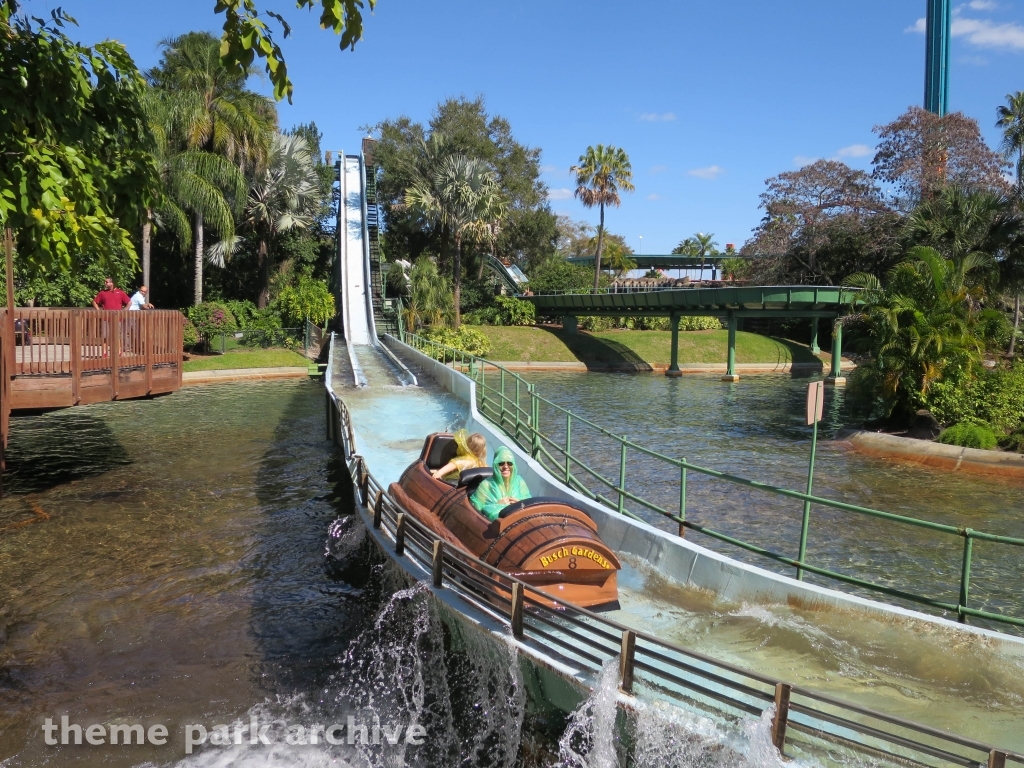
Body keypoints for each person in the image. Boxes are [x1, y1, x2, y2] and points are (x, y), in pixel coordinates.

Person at [470, 446, 531, 521]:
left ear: (514, 465)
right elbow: (477, 510)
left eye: (509, 463)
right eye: (501, 463)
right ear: (495, 465)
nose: (506, 466)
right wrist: (497, 506)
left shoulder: (519, 481)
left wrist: (520, 503)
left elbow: (529, 504)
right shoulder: (486, 485)